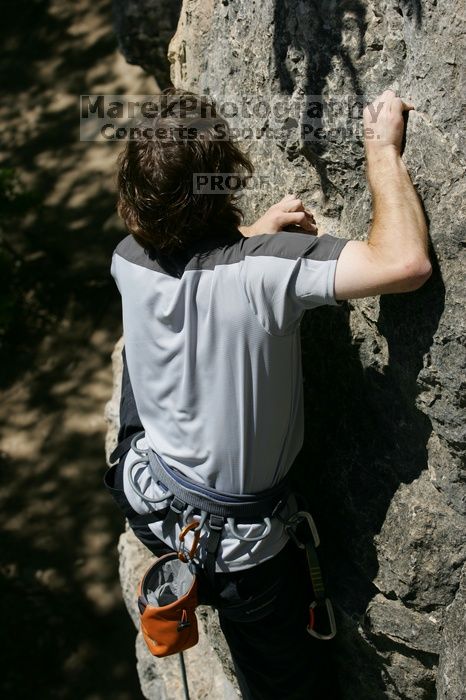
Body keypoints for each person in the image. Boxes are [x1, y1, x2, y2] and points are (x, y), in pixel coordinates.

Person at [105, 88, 431, 699]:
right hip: (242, 551)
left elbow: (198, 265)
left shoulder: (128, 259)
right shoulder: (266, 271)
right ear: (224, 178)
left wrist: (253, 236)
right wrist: (381, 152)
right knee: (284, 684)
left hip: (147, 492)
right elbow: (405, 262)